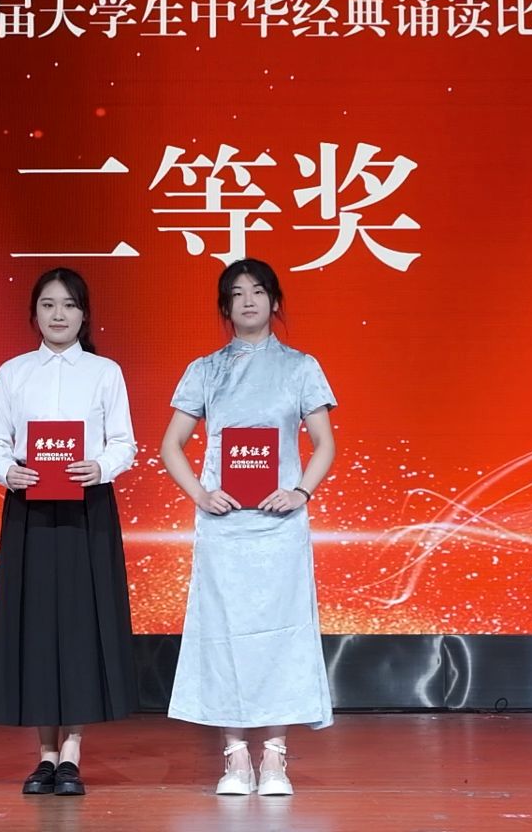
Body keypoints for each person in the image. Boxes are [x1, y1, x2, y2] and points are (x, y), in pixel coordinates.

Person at [158, 258, 338, 797]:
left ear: (274, 301)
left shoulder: (301, 367)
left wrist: (300, 491)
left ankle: (275, 757)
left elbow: (324, 444)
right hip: (225, 529)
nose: (249, 301)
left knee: (282, 635)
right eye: (237, 294)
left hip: (280, 527)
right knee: (224, 636)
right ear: (226, 307)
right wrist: (201, 493)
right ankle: (235, 757)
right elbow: (171, 445)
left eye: (258, 291)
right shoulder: (205, 370)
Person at [0, 267, 139, 797]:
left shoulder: (104, 372)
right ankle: (44, 756)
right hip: (29, 508)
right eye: (48, 304)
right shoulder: (13, 372)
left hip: (86, 508)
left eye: (69, 305)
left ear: (84, 314)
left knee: (78, 626)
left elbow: (124, 442)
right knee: (36, 625)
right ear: (34, 313)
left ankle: (71, 754)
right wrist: (8, 471)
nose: (58, 314)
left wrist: (101, 466)